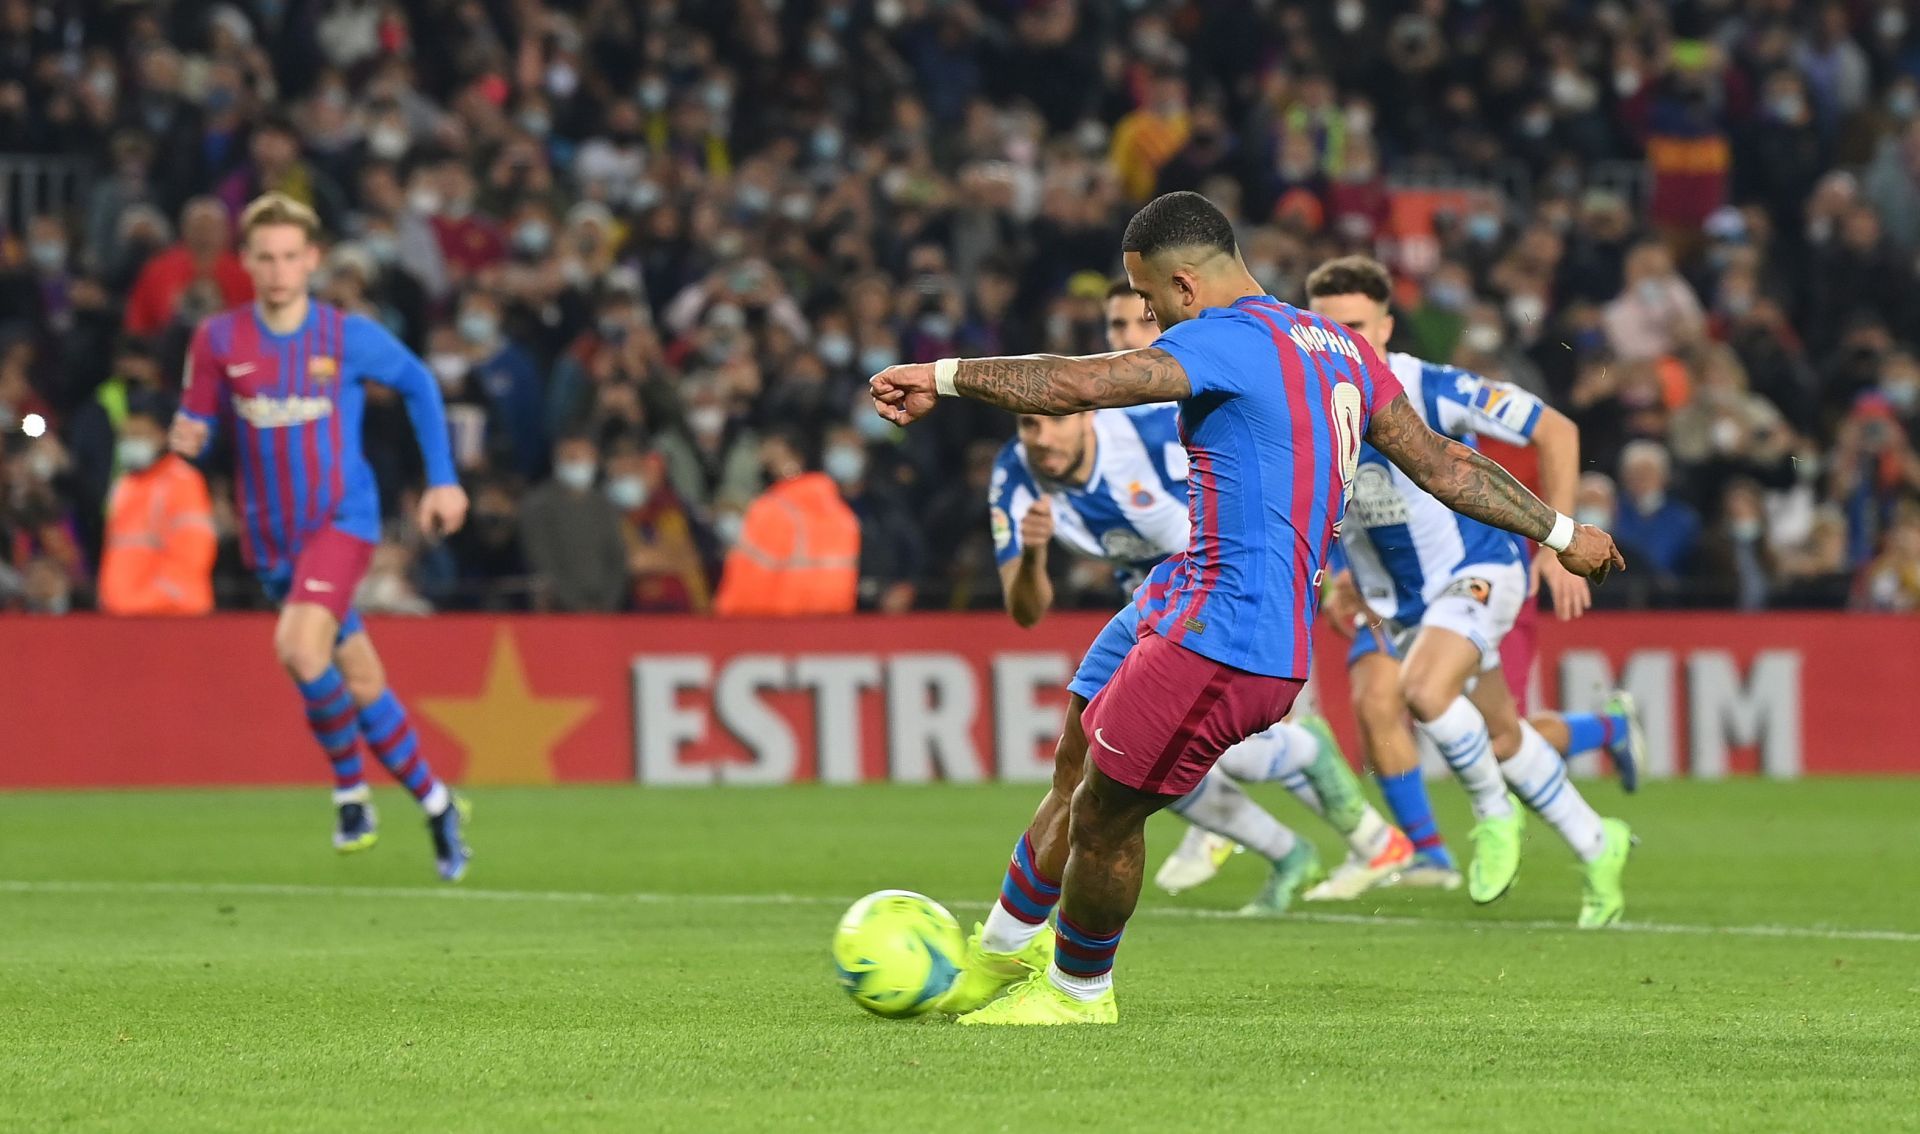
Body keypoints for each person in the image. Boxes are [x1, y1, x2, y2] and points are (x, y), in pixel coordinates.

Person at [869, 191, 1624, 1026]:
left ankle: (1080, 993)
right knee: (1075, 763)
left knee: (1107, 810)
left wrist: (940, 375)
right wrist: (1559, 529)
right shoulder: (1340, 347)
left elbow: (1074, 384)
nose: (1146, 313)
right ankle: (1002, 955)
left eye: (1148, 296)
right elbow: (1445, 465)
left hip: (1232, 629)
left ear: (1186, 285)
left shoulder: (1220, 339)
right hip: (1182, 588)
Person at [995, 280, 1414, 914]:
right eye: (1112, 330)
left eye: (1135, 321)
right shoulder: (1015, 472)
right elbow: (1025, 610)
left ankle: (1357, 821)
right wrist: (1031, 553)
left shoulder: (1150, 423)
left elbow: (1266, 489)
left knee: (1203, 762)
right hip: (1164, 602)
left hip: (1234, 603)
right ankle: (1294, 851)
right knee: (1120, 764)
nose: (1128, 336)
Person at [1305, 257, 1644, 904]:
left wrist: (1557, 541)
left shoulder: (1431, 388)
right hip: (1399, 602)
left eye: (1354, 327)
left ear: (1385, 328)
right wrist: (1338, 575)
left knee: (1423, 692)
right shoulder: (1310, 409)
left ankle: (1492, 815)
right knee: (1505, 735)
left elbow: (1556, 428)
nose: (1341, 343)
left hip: (1478, 570)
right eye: (1326, 329)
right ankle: (1601, 843)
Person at [170, 193, 473, 880]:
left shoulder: (344, 337)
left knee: (301, 651)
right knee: (361, 678)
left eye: (290, 257)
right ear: (245, 262)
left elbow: (420, 383)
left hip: (341, 521)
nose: (278, 271)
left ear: (312, 260)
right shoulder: (218, 340)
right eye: (265, 257)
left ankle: (351, 795)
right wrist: (190, 434)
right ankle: (437, 803)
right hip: (271, 541)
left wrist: (444, 479)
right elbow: (198, 419)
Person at [712, 429, 860, 616]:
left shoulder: (772, 510)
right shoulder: (842, 515)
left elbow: (746, 583)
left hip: (776, 630)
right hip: (831, 632)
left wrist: (724, 625)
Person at [99, 398, 216, 615]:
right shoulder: (124, 485)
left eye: (140, 434)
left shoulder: (183, 481)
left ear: (163, 435)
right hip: (125, 616)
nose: (130, 441)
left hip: (173, 616)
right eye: (127, 435)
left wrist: (145, 601)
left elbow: (192, 555)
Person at [518, 433, 631, 613]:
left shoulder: (605, 504)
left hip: (606, 611)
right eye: (571, 457)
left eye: (583, 457)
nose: (577, 464)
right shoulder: (539, 504)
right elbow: (542, 560)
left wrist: (609, 603)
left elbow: (617, 557)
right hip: (559, 610)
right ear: (557, 459)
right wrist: (575, 604)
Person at [123, 198, 254, 338]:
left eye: (211, 229)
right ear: (184, 230)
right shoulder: (158, 269)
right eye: (198, 228)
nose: (204, 235)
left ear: (226, 232)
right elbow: (137, 319)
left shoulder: (244, 272)